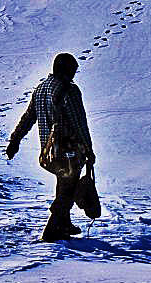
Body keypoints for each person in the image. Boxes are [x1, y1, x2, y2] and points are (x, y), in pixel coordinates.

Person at [6, 52, 95, 242]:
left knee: (63, 185)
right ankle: (52, 230)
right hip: (69, 152)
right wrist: (89, 149)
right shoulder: (68, 91)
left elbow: (28, 117)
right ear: (66, 70)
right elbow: (79, 123)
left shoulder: (40, 89)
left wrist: (15, 140)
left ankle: (64, 223)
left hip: (50, 153)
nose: (74, 74)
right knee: (67, 191)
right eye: (73, 71)